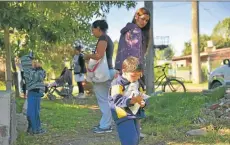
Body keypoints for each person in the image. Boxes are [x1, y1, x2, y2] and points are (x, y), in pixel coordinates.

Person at [109, 56, 148, 145]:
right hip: (122, 115)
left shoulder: (138, 82)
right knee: (130, 140)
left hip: (135, 114)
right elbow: (116, 99)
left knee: (136, 138)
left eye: (139, 75)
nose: (137, 78)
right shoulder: (117, 83)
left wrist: (143, 102)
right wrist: (130, 101)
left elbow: (143, 94)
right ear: (124, 71)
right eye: (134, 75)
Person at [84, 19, 114, 133]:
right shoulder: (107, 38)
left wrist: (87, 56)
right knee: (106, 99)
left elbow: (98, 55)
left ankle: (105, 126)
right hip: (108, 71)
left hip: (104, 73)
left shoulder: (103, 38)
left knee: (103, 100)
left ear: (98, 28)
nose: (92, 32)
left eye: (93, 29)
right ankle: (105, 124)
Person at [21, 54, 46, 135]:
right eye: (31, 60)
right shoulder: (28, 71)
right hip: (34, 92)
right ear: (27, 62)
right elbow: (40, 76)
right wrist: (40, 68)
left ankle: (34, 128)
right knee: (33, 112)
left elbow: (43, 75)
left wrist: (39, 69)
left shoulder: (31, 70)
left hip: (35, 92)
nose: (33, 62)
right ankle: (35, 129)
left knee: (35, 111)